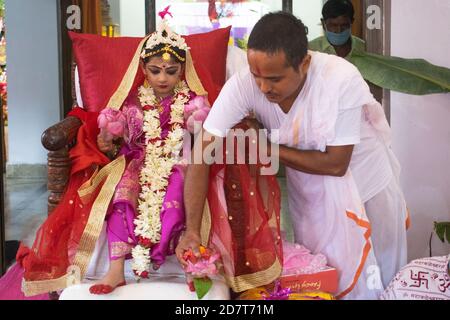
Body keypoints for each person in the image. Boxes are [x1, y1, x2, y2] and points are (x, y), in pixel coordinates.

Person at [176, 12, 409, 300]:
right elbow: (202, 152)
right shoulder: (245, 83)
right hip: (312, 195)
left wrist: (266, 149)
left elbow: (337, 164)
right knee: (321, 278)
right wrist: (192, 231)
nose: (263, 87)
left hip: (366, 188)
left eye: (274, 78)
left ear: (305, 63)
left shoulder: (339, 79)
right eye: (256, 76)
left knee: (380, 282)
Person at [0, 12, 209, 298]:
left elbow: (201, 133)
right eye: (155, 70)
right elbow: (113, 137)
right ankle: (115, 270)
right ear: (143, 69)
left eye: (171, 71)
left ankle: (188, 264)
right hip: (135, 161)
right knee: (122, 197)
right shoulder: (134, 100)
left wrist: (196, 118)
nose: (163, 78)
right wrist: (110, 133)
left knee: (174, 198)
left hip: (176, 162)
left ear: (182, 71)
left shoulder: (189, 101)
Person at [309, 0, 450, 95]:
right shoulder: (310, 50)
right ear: (323, 23)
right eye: (333, 26)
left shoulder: (365, 48)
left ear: (352, 22)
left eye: (344, 25)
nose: (338, 31)